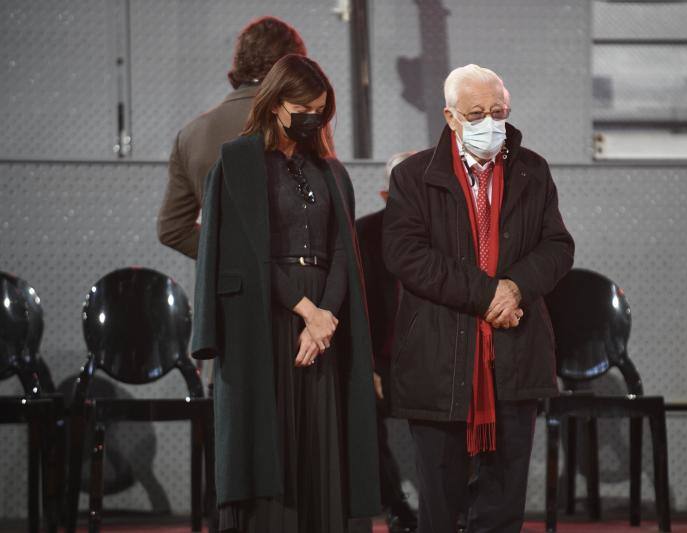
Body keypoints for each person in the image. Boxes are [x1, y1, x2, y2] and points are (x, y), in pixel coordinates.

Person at [191, 54, 380, 533]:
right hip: (264, 318)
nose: (312, 117)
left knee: (320, 446)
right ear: (276, 104)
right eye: (303, 107)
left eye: (320, 108)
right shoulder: (236, 162)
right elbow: (245, 252)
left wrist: (326, 316)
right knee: (267, 448)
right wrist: (305, 311)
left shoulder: (332, 172)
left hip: (323, 324)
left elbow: (344, 251)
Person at [382, 64, 575, 533]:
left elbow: (557, 247)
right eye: (476, 114)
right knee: (440, 506)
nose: (490, 124)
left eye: (498, 112)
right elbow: (406, 255)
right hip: (438, 359)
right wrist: (489, 294)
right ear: (450, 118)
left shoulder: (533, 170)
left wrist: (515, 288)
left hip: (515, 355)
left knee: (502, 505)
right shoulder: (413, 176)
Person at [157, 16, 307, 259]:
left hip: (222, 291)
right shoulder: (297, 126)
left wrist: (230, 259)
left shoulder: (189, 135)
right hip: (294, 287)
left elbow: (172, 230)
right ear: (291, 70)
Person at [356, 151, 418, 533]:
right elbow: (355, 306)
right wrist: (365, 365)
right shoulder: (363, 234)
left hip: (434, 358)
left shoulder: (451, 234)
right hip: (380, 356)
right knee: (358, 409)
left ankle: (459, 511)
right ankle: (395, 505)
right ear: (385, 194)